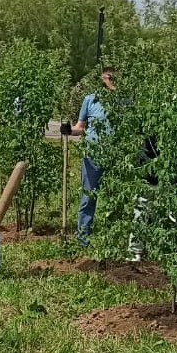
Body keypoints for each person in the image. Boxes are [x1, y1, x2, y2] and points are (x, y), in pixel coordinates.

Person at [64, 66, 115, 245]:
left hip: (116, 158)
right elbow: (80, 127)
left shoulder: (123, 101)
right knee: (88, 198)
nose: (108, 81)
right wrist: (69, 130)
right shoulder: (91, 100)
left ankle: (111, 240)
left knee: (115, 199)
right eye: (106, 78)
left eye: (111, 78)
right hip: (92, 157)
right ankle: (83, 239)